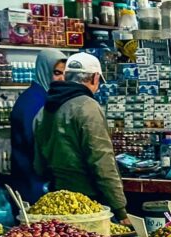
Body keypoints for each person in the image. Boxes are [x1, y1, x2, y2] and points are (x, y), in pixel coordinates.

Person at [34, 52, 128, 220]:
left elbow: (38, 165)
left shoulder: (44, 110)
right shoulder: (88, 107)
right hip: (88, 204)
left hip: (57, 200)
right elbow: (101, 161)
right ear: (94, 78)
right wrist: (120, 209)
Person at [9, 49, 65, 202]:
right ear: (44, 71)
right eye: (57, 73)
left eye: (64, 74)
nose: (62, 79)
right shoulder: (34, 103)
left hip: (32, 180)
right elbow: (37, 145)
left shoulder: (45, 97)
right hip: (32, 182)